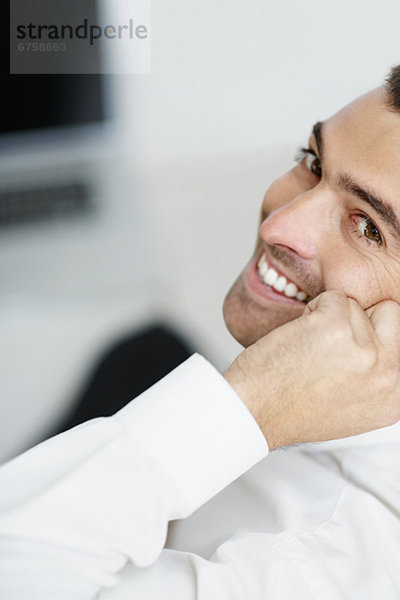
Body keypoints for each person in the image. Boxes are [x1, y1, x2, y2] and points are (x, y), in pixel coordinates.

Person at [1, 68, 400, 599]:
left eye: (368, 226)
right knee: (144, 355)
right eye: (313, 163)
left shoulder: (309, 570)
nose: (276, 225)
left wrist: (254, 401)